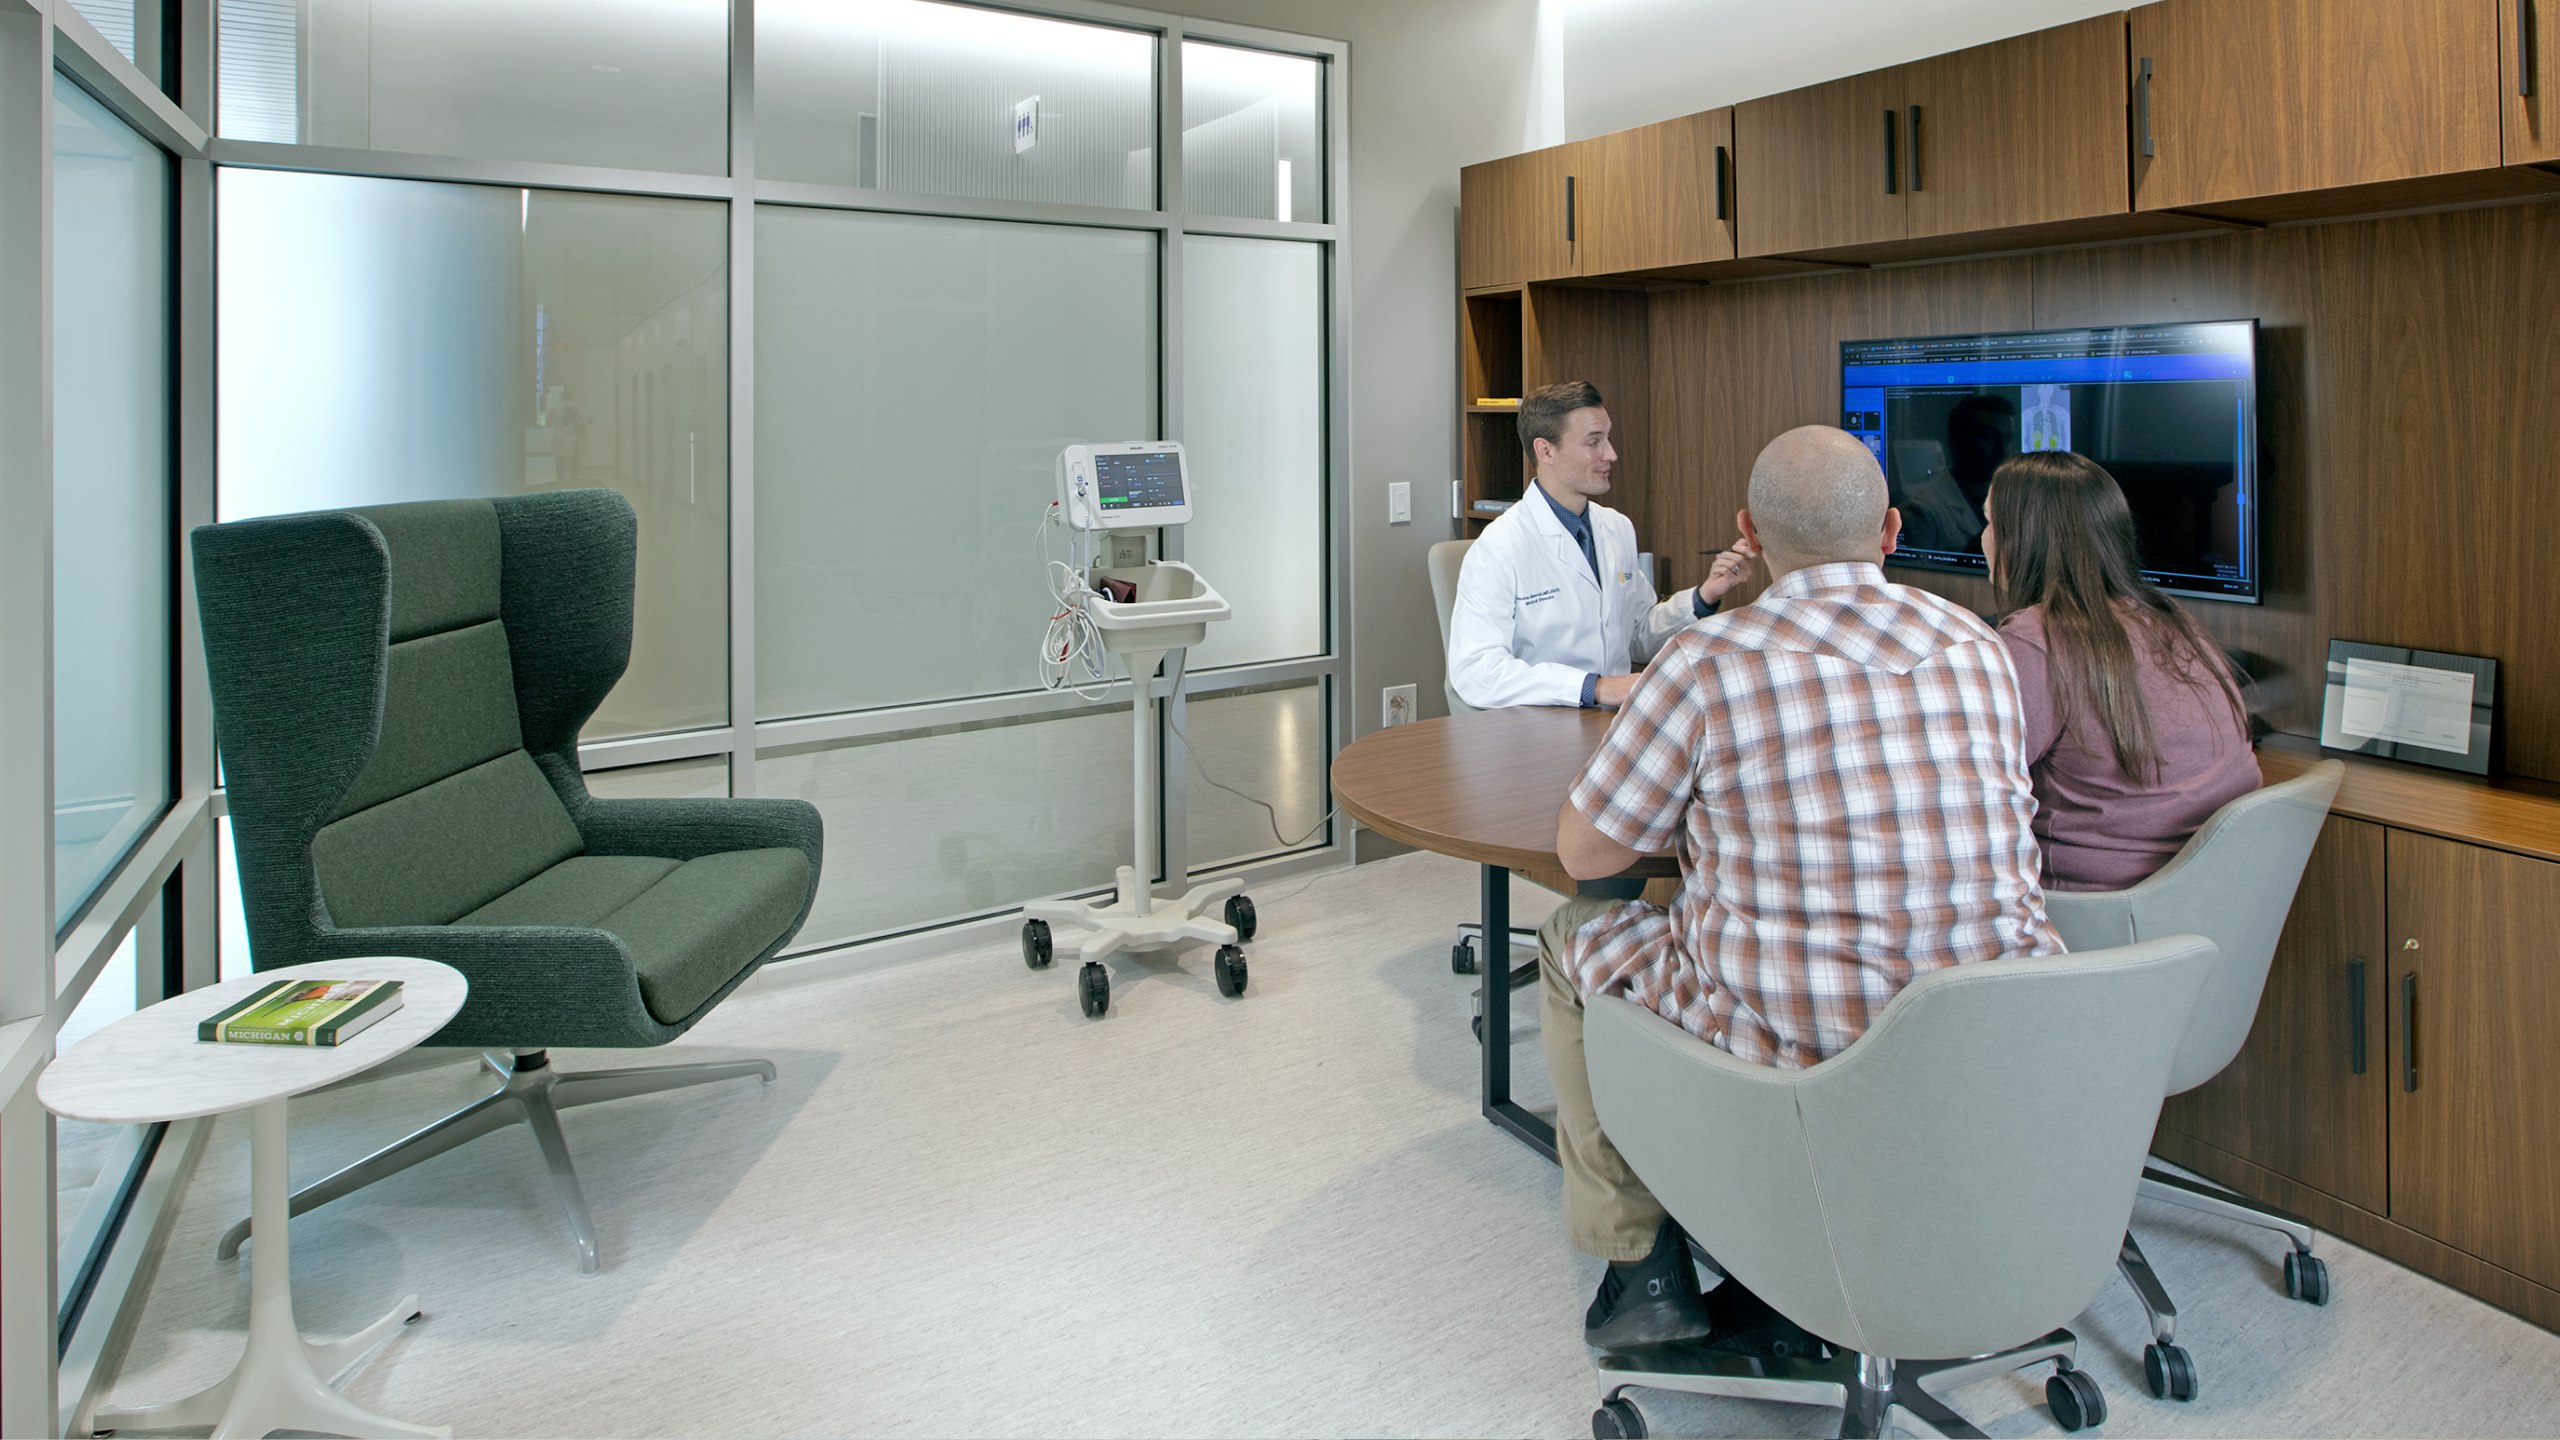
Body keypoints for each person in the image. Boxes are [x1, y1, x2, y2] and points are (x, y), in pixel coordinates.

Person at [1537, 425, 2064, 1350]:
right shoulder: (1978, 644)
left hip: (1805, 1048)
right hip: (1991, 1033)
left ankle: (1642, 1266)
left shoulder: (1707, 661)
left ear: (1749, 530)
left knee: (1575, 928)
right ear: (1893, 530)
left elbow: (1585, 852)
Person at [1982, 450, 2258, 891]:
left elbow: (1972, 788)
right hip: (2204, 897)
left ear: (2020, 539)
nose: (1983, 538)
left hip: (2090, 907)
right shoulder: (2173, 620)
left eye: (1990, 522)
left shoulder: (2034, 641)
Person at [1447, 380, 1755, 710]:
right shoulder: (1499, 546)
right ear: (1545, 450)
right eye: (1594, 442)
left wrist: (1705, 595)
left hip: (1614, 719)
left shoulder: (1616, 527)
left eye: (1608, 438)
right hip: (1539, 723)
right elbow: (1476, 672)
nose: (1611, 454)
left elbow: (1638, 636)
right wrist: (1594, 687)